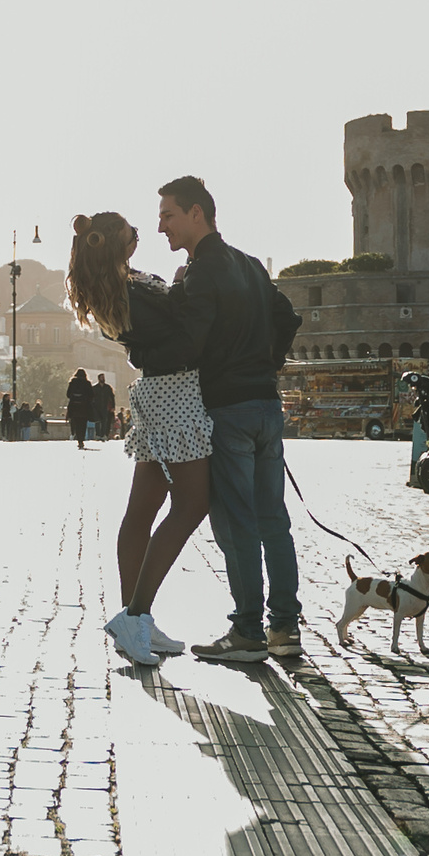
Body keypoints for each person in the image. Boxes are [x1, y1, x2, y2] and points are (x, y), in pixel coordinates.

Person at [160, 174, 304, 664]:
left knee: (236, 522)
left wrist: (173, 300)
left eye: (169, 215)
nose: (162, 227)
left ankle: (247, 631)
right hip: (267, 404)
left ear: (196, 212)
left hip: (228, 410)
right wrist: (270, 361)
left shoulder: (201, 272)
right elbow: (288, 317)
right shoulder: (248, 264)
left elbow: (189, 343)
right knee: (273, 521)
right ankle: (284, 628)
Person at [68, 213, 212, 667]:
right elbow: (174, 335)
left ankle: (137, 619)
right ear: (114, 241)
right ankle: (137, 614)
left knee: (142, 510)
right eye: (131, 229)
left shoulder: (117, 285)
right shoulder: (129, 287)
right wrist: (185, 288)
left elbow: (145, 341)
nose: (140, 233)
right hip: (176, 391)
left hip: (159, 391)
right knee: (191, 504)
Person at [66, 370, 95, 448]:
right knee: (83, 424)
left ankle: (77, 436)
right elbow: (92, 395)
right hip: (84, 408)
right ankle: (81, 439)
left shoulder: (72, 383)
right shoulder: (87, 383)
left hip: (74, 407)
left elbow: (68, 394)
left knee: (75, 422)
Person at [92, 374, 117, 443]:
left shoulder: (108, 387)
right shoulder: (95, 388)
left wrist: (113, 407)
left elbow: (112, 398)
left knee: (104, 421)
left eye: (103, 377)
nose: (103, 378)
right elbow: (92, 398)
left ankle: (103, 435)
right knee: (97, 421)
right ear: (99, 378)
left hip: (105, 407)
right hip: (96, 407)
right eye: (101, 377)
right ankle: (98, 435)